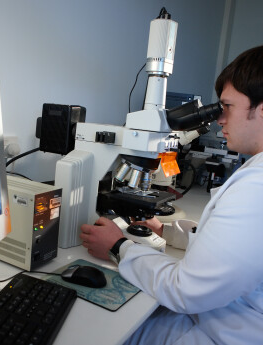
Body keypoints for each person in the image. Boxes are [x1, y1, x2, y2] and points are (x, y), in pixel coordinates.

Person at [80, 45, 263, 345]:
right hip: (224, 315)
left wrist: (118, 247)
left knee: (105, 330)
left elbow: (185, 290)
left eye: (226, 107)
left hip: (225, 332)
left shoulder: (256, 188)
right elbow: (237, 248)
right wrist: (167, 231)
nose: (220, 119)